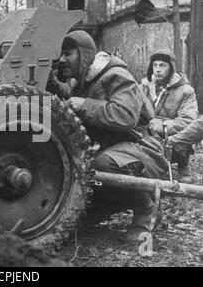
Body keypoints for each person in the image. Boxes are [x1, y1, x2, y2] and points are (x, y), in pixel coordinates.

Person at [47, 30, 169, 241]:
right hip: (120, 152)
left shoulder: (117, 76)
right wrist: (52, 83)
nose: (62, 60)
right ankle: (107, 206)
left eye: (68, 54)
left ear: (84, 55)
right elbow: (71, 95)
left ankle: (148, 210)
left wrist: (86, 105)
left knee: (101, 164)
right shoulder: (83, 80)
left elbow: (126, 116)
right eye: (61, 55)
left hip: (144, 149)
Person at [140, 49, 198, 183]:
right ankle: (151, 166)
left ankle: (183, 165)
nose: (158, 69)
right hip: (147, 131)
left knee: (184, 134)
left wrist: (161, 126)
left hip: (169, 133)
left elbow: (188, 120)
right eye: (155, 65)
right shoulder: (143, 87)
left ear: (171, 68)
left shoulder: (186, 91)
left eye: (163, 65)